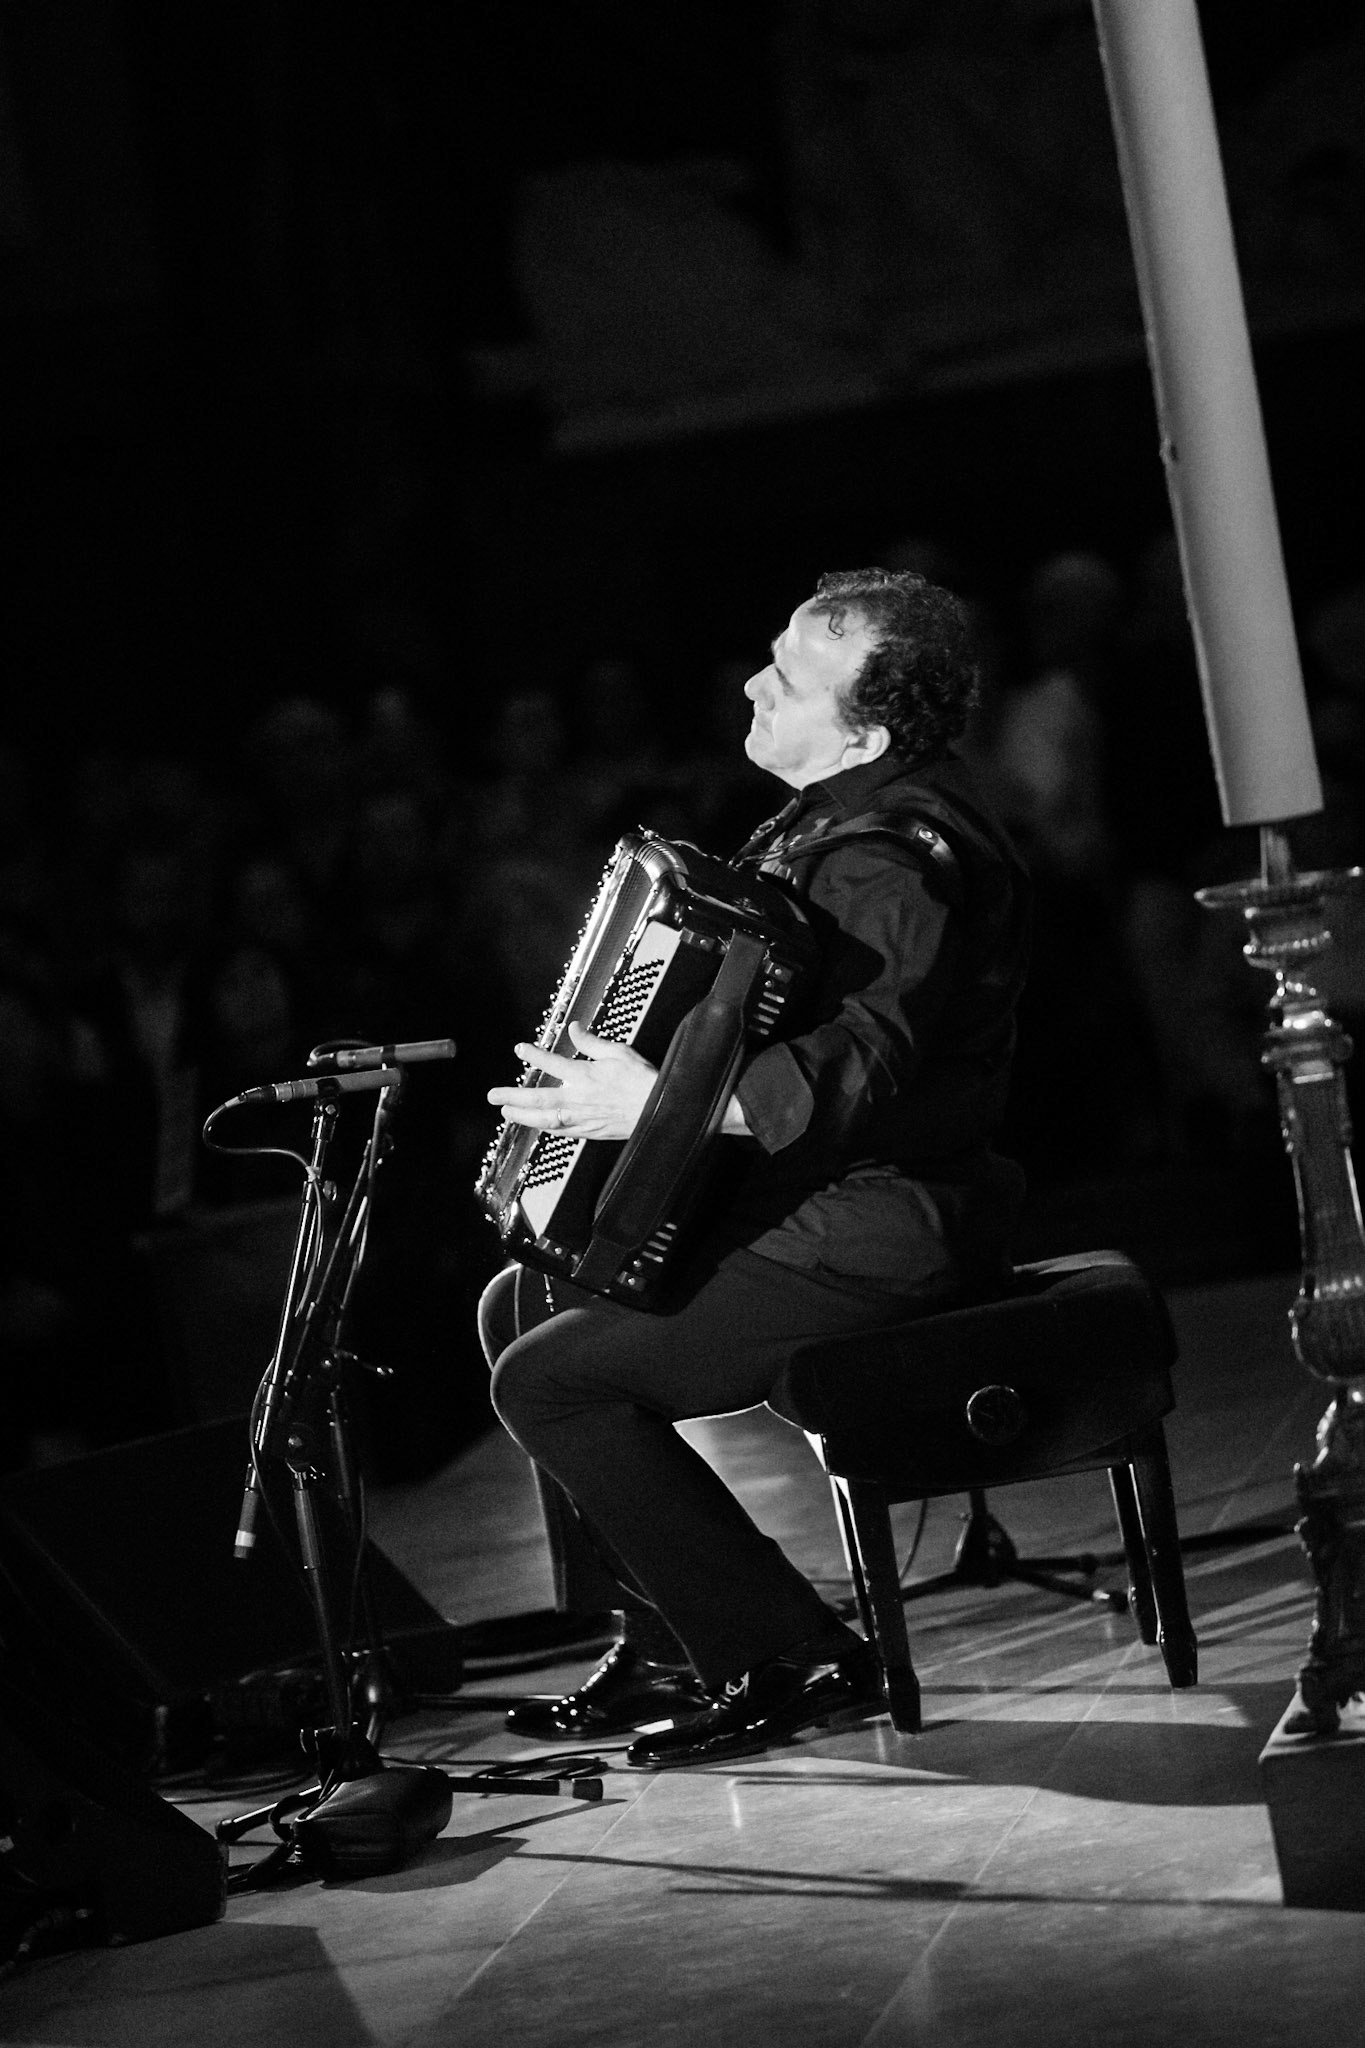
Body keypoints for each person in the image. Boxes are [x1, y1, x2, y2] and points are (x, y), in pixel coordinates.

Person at [479, 568, 1031, 1769]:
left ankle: (789, 1652)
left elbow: (867, 1057)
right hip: (815, 1199)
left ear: (869, 730)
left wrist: (664, 1104)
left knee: (547, 1382)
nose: (752, 680)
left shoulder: (895, 849)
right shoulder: (829, 812)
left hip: (880, 1223)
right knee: (524, 1293)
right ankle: (676, 1630)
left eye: (788, 674)